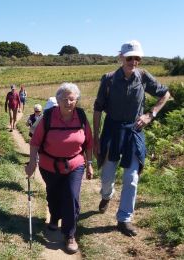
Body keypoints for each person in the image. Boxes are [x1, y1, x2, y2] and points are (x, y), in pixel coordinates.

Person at [93, 40, 171, 237]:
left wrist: (150, 114)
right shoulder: (109, 79)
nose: (134, 61)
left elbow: (165, 94)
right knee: (107, 176)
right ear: (121, 57)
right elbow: (97, 109)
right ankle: (106, 195)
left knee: (131, 178)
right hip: (112, 130)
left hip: (134, 131)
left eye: (137, 57)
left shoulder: (144, 77)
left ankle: (124, 219)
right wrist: (96, 137)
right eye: (130, 57)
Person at [25, 83, 94, 254]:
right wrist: (32, 163)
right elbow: (35, 142)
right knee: (53, 194)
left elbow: (89, 142)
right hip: (49, 165)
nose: (69, 102)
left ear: (76, 100)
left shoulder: (81, 116)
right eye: (65, 99)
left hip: (75, 164)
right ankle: (55, 216)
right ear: (57, 100)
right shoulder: (48, 117)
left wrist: (90, 164)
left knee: (71, 196)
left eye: (72, 99)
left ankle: (70, 234)